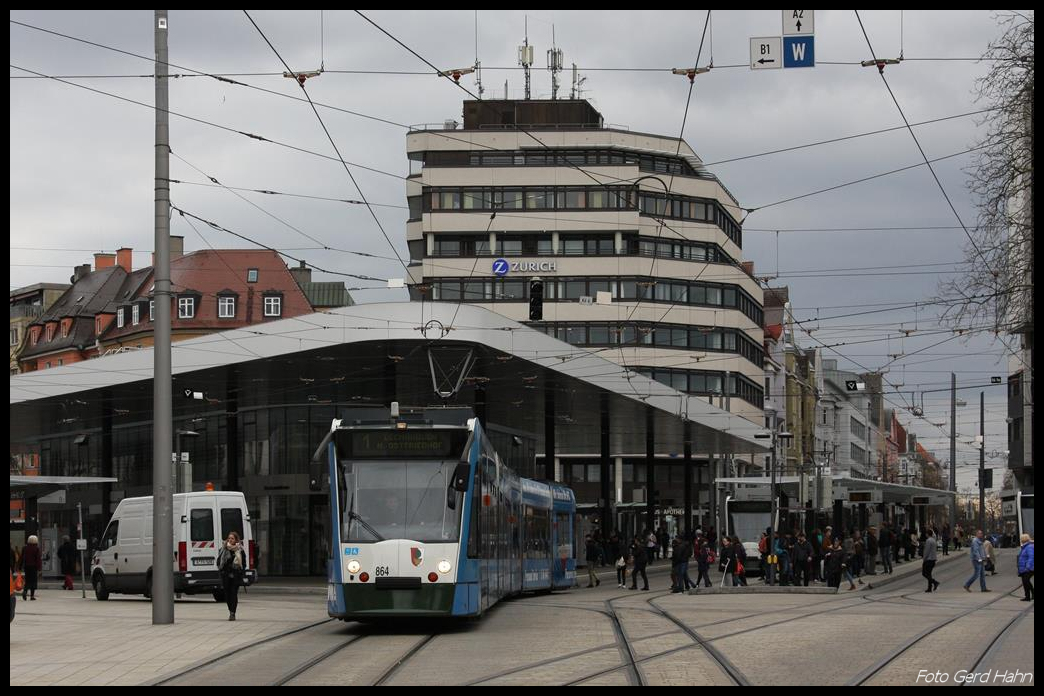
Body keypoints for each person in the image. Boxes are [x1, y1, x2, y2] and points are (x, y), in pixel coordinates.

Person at [216, 531, 247, 620]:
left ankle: (232, 613)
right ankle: (230, 610)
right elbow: (218, 561)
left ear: (236, 540)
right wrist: (221, 569)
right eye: (229, 538)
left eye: (232, 538)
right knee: (227, 595)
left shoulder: (240, 550)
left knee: (233, 594)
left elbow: (244, 563)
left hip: (235, 575)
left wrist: (241, 572)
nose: (230, 540)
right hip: (225, 575)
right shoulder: (223, 549)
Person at [963, 529, 989, 593]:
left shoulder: (979, 541)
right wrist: (979, 558)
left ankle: (983, 588)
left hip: (981, 559)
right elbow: (975, 551)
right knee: (976, 574)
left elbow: (982, 550)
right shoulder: (975, 541)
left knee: (982, 574)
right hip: (976, 560)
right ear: (977, 534)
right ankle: (967, 585)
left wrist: (985, 556)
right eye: (980, 533)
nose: (981, 534)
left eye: (981, 533)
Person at [19, 535, 41, 601]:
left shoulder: (24, 548)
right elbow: (38, 559)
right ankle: (32, 596)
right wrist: (39, 568)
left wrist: (20, 566)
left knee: (27, 580)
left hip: (26, 567)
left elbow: (22, 558)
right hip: (34, 567)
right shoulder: (36, 548)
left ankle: (25, 591)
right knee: (33, 581)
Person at [1017, 534, 1034, 601]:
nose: (1020, 540)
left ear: (1023, 539)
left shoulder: (1029, 547)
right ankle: (1027, 596)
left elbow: (1031, 557)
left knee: (1026, 581)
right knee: (1025, 582)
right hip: (1023, 568)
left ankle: (1030, 594)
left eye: (1021, 539)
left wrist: (1028, 566)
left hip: (1028, 568)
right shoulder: (1024, 547)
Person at [922, 528, 940, 592]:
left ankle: (935, 582)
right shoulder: (934, 540)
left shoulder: (928, 541)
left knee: (924, 573)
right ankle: (929, 588)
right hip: (933, 559)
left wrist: (924, 559)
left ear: (927, 534)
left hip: (928, 559)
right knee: (929, 574)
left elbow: (927, 551)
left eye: (926, 533)